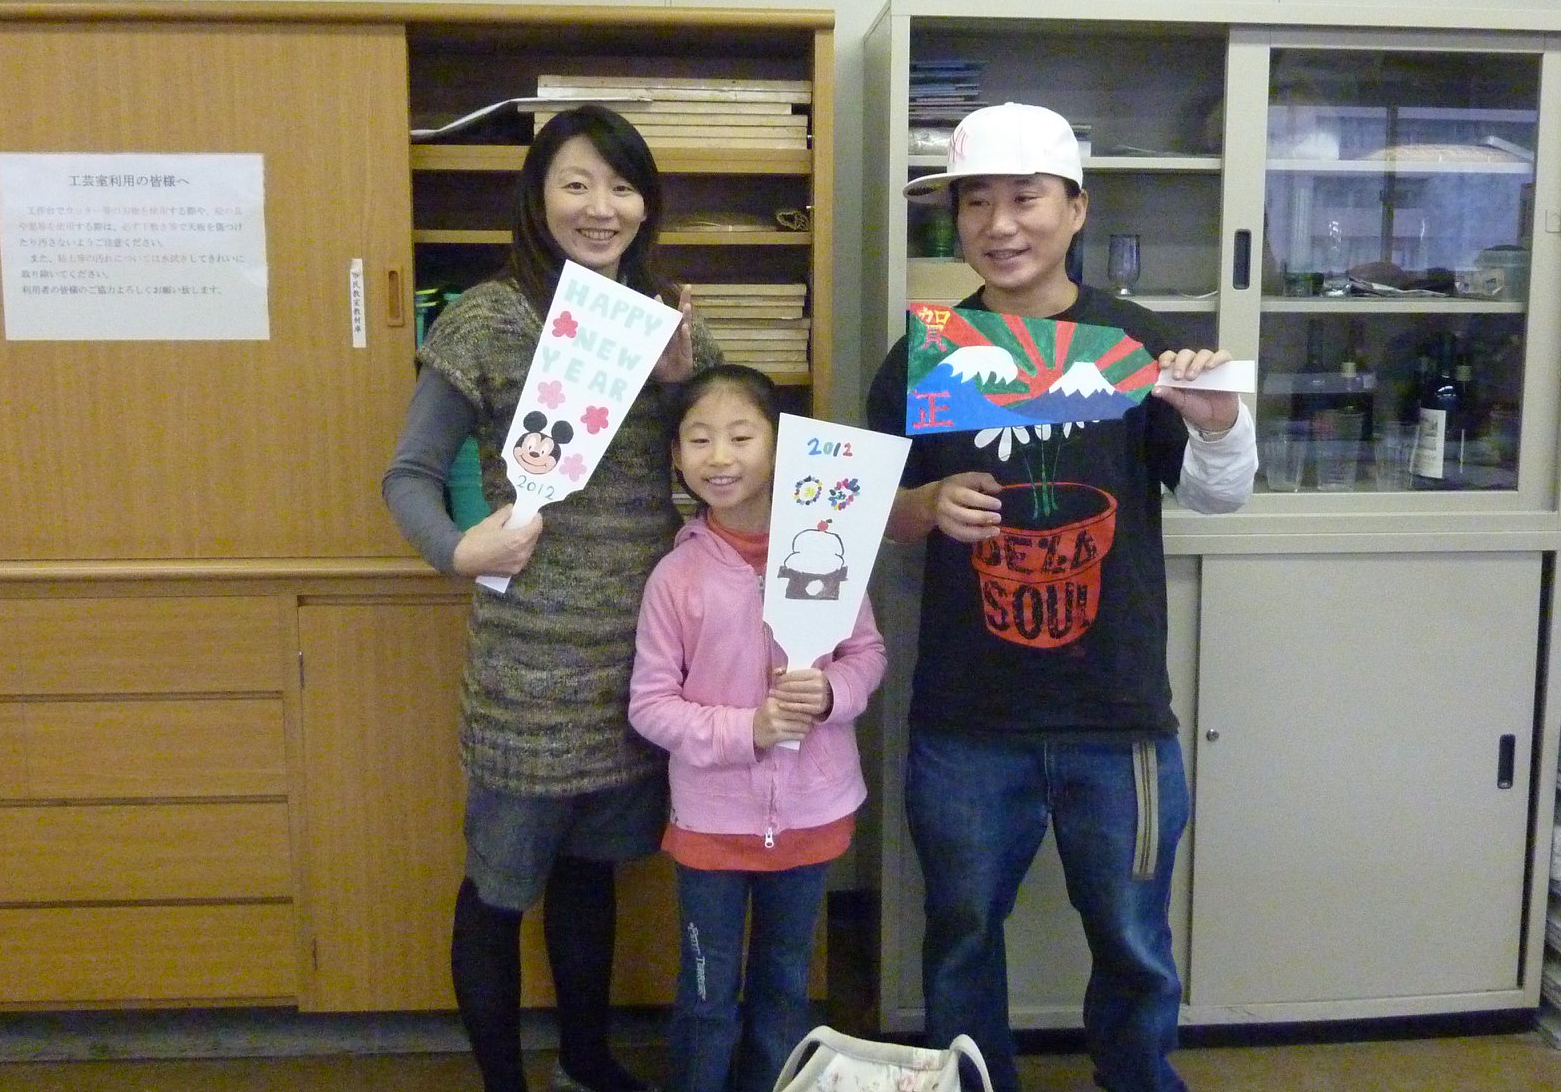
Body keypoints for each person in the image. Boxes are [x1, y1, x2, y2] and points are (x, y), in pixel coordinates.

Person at [864, 102, 1255, 1092]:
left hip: (1117, 714)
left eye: (1025, 198)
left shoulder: (1137, 342)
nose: (1000, 225)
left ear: (1076, 209)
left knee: (1134, 942)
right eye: (975, 203)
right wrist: (923, 505)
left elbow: (1217, 497)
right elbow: (858, 513)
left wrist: (1219, 426)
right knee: (960, 934)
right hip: (966, 714)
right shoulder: (927, 354)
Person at [383, 103, 717, 1092]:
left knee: (591, 875)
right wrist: (459, 548)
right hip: (526, 671)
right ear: (537, 197)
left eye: (622, 186)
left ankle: (585, 1060)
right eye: (576, 183)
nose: (600, 207)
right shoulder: (489, 318)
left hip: (641, 665)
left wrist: (681, 383)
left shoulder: (669, 321)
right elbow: (409, 474)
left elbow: (721, 474)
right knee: (499, 889)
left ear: (647, 206)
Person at [629, 364, 886, 1092]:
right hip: (712, 825)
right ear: (676, 455)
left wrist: (831, 692)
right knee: (707, 995)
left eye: (742, 437)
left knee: (784, 987)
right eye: (700, 439)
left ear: (780, 447)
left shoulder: (829, 550)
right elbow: (650, 705)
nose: (721, 457)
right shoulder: (676, 577)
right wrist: (751, 729)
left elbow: (867, 654)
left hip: (811, 814)